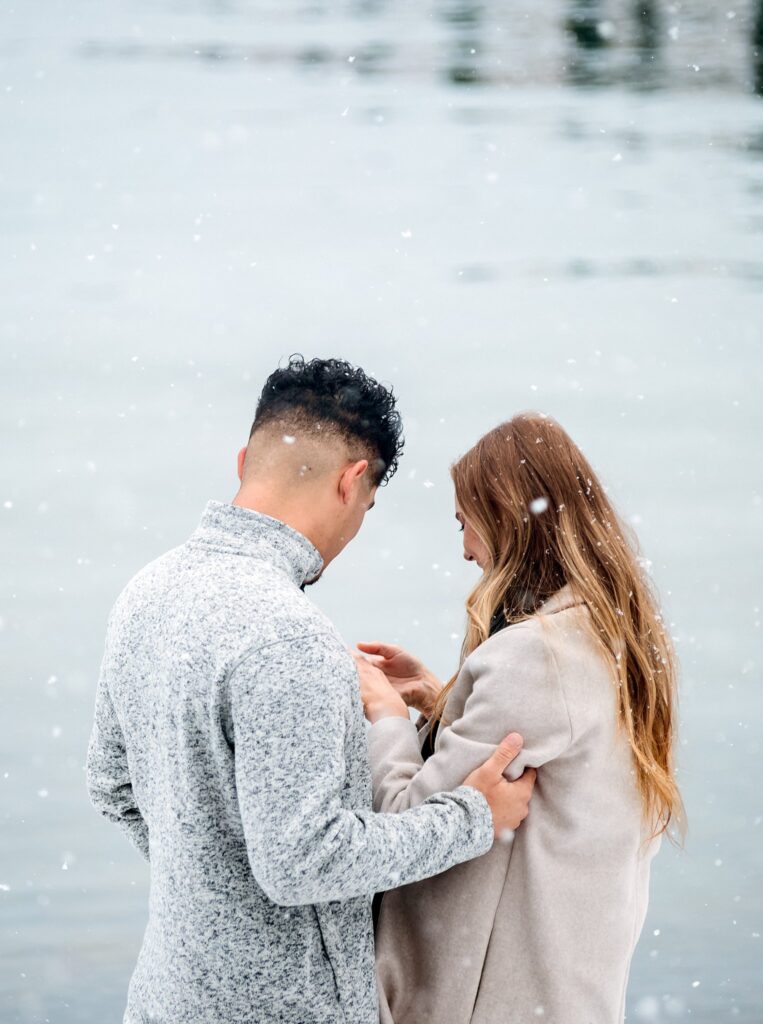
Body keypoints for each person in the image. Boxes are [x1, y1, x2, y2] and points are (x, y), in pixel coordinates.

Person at [84, 355, 537, 1024]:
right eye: (370, 505)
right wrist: (471, 817)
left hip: (165, 998)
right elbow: (303, 862)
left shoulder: (146, 592)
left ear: (245, 460)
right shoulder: (290, 636)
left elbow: (112, 786)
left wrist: (211, 878)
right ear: (352, 482)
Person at [354, 411, 685, 1024]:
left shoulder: (536, 656)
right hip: (568, 994)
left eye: (465, 523)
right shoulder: (616, 638)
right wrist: (439, 695)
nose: (464, 550)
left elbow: (406, 823)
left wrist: (385, 716)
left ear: (506, 517)